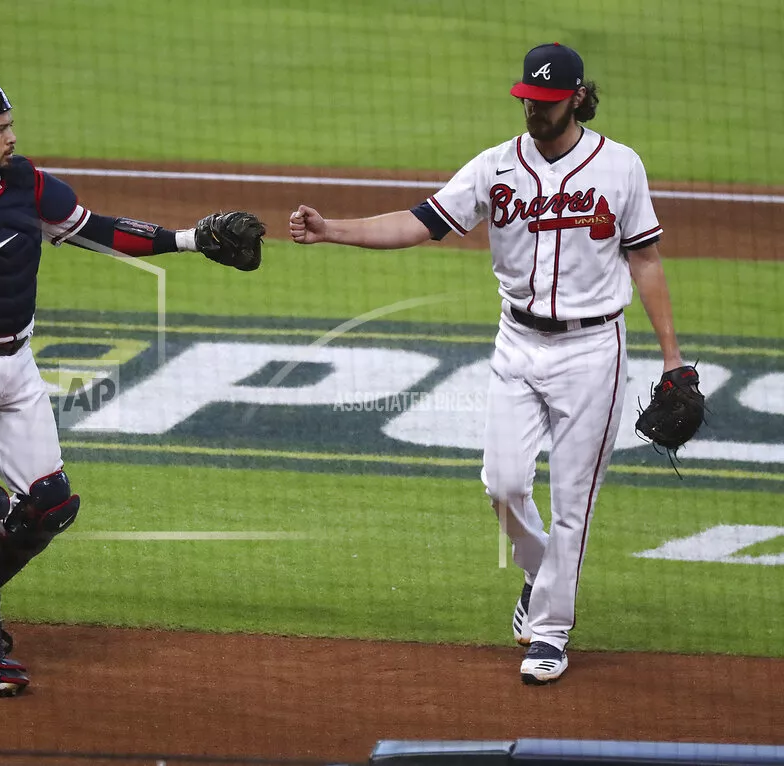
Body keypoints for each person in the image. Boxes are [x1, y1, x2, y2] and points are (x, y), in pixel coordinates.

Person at [0, 78, 263, 697]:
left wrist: (189, 239)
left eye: (11, 125)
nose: (12, 136)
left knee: (53, 504)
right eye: (0, 128)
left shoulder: (25, 183)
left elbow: (96, 229)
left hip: (18, 365)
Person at [289, 43, 691, 684]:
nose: (534, 109)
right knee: (501, 484)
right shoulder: (495, 167)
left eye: (547, 101)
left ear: (578, 98)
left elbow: (646, 260)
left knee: (571, 505)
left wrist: (674, 359)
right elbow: (420, 222)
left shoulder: (621, 168)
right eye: (527, 99)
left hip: (594, 351)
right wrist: (332, 228)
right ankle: (541, 573)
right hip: (517, 344)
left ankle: (551, 632)